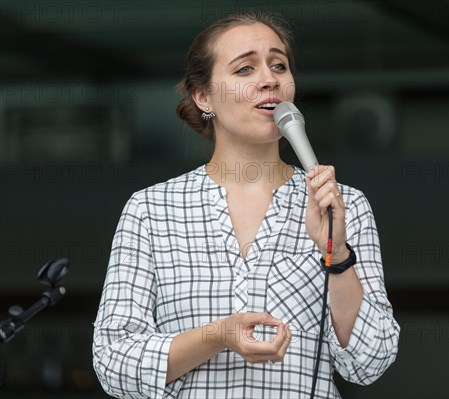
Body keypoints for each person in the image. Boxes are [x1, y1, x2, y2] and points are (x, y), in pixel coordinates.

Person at [92, 11, 399, 399]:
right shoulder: (151, 210)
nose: (269, 79)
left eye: (279, 65)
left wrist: (337, 254)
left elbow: (372, 360)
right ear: (204, 97)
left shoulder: (343, 204)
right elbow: (112, 360)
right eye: (244, 70)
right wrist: (218, 335)